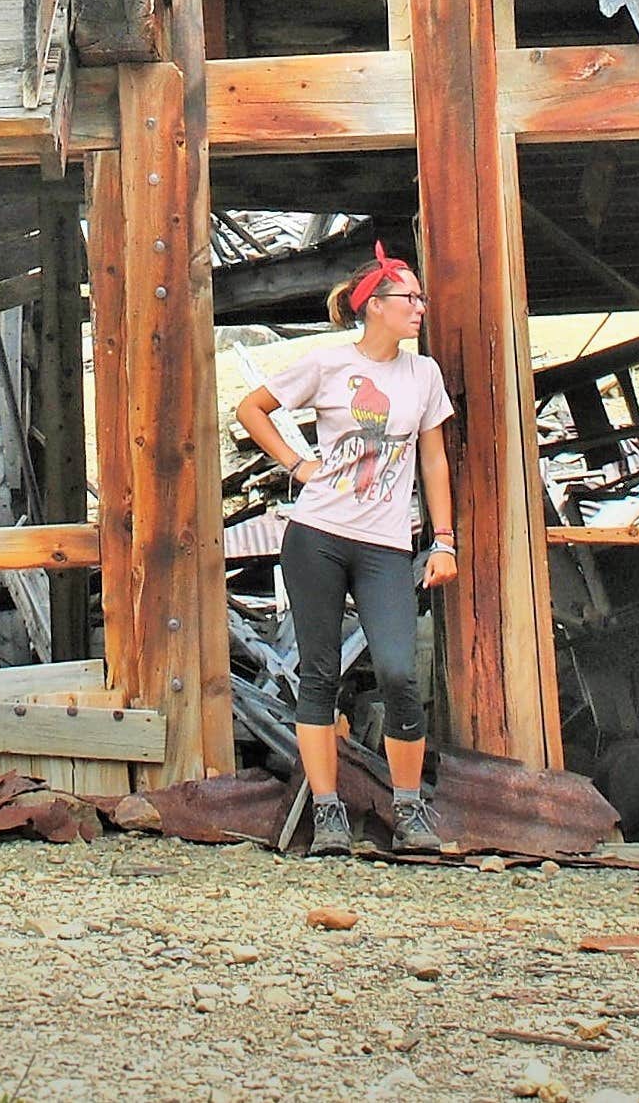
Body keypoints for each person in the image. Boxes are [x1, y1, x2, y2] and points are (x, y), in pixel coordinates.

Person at [232, 244, 458, 856]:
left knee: (399, 672)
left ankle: (409, 812)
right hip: (318, 538)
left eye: (419, 298)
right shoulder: (329, 365)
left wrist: (444, 540)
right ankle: (328, 813)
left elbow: (433, 458)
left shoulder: (424, 375)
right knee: (320, 674)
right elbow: (252, 408)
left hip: (386, 546)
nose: (419, 307)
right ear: (375, 308)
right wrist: (296, 464)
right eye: (409, 298)